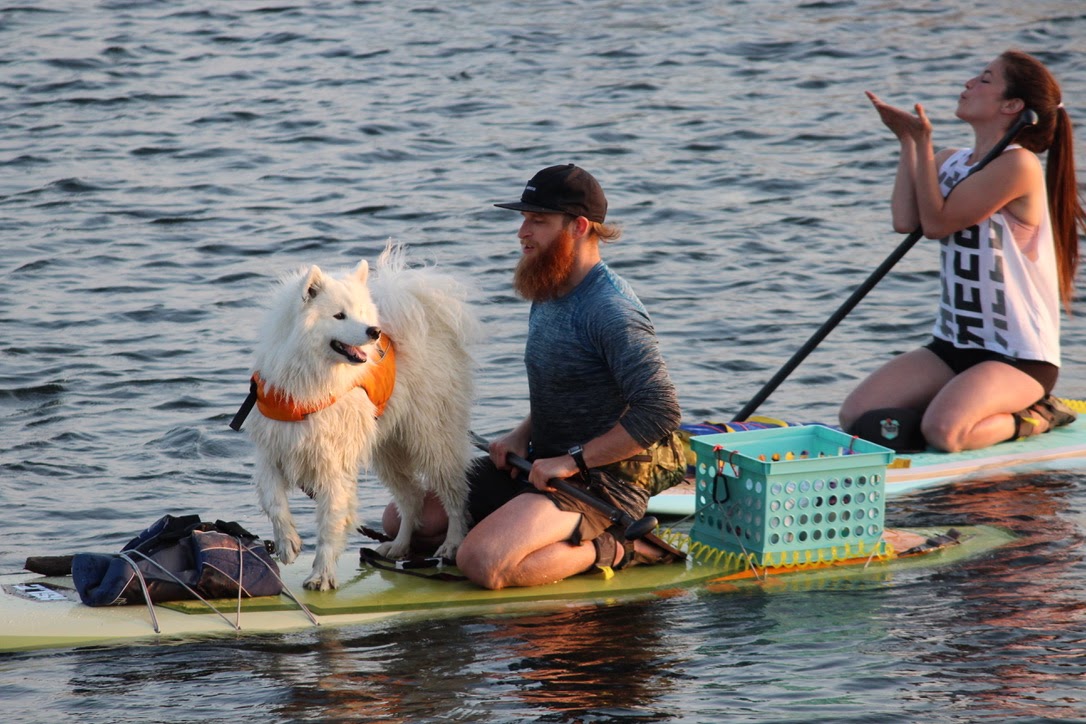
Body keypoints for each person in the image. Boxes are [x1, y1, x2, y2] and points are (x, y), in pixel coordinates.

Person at [382, 164, 686, 589]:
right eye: (523, 218)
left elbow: (661, 410)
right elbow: (566, 388)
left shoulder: (611, 311)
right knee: (406, 518)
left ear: (578, 226)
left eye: (537, 221)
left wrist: (572, 461)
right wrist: (519, 435)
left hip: (605, 483)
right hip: (540, 463)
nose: (522, 232)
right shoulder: (552, 286)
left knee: (484, 562)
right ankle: (527, 523)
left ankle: (622, 548)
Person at [839, 50, 1084, 453]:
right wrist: (909, 142)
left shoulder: (1017, 165)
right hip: (954, 345)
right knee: (857, 415)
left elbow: (937, 225)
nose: (969, 83)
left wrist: (922, 139)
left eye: (985, 79)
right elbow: (907, 220)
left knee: (945, 433)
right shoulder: (951, 161)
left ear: (1012, 106)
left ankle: (1035, 414)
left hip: (1018, 356)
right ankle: (951, 404)